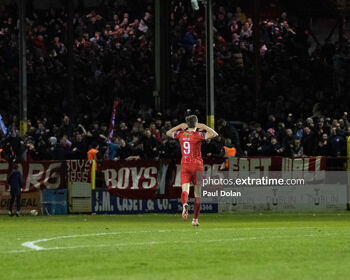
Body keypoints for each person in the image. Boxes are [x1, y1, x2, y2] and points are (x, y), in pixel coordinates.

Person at [166, 115, 218, 226]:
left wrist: (179, 126)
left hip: (185, 165)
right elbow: (214, 134)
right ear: (196, 123)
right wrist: (204, 126)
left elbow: (168, 133)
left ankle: (184, 204)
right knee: (197, 193)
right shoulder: (198, 135)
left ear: (186, 123)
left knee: (185, 190)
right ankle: (195, 219)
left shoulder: (181, 134)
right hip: (197, 166)